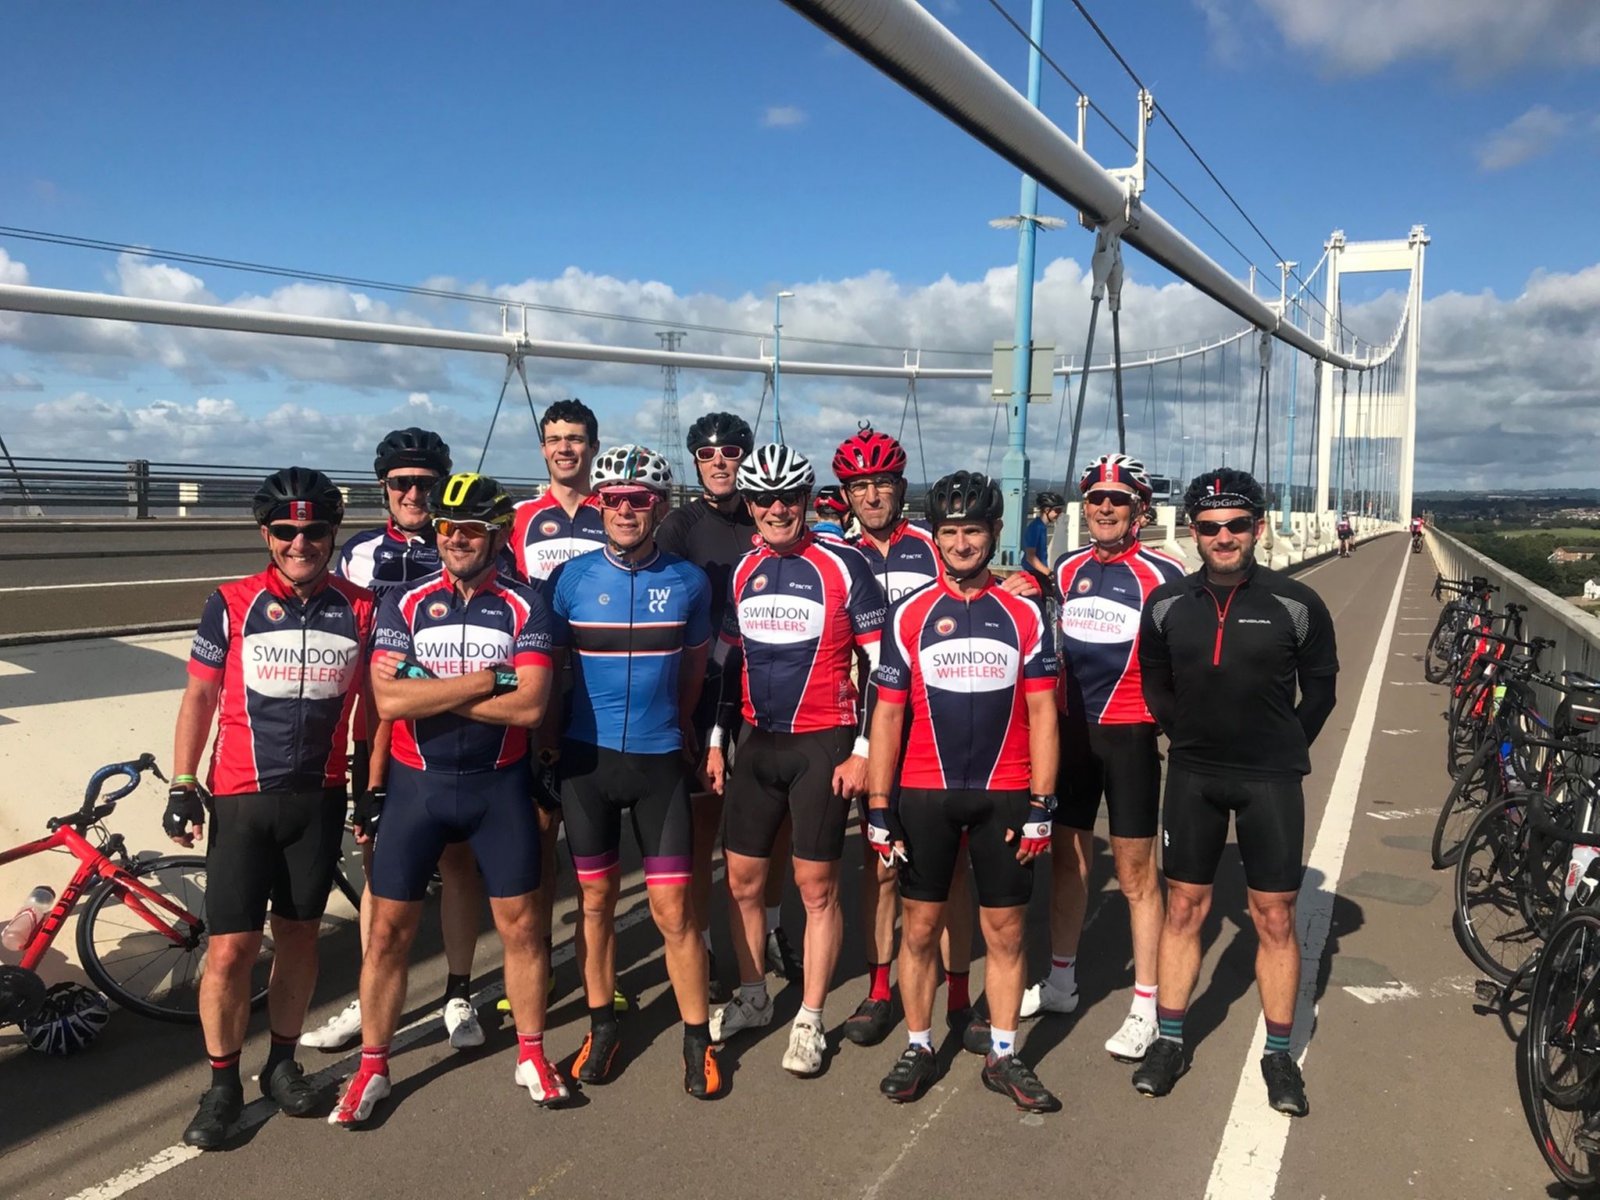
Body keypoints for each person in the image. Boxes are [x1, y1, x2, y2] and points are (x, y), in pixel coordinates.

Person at [330, 473, 562, 1125]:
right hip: (418, 788)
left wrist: (428, 686)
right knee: (387, 934)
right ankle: (372, 1067)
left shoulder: (527, 605)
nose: (457, 540)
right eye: (447, 528)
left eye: (472, 530)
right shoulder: (404, 602)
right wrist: (490, 678)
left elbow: (530, 706)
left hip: (498, 787)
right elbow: (388, 700)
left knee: (523, 929)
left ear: (499, 535)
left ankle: (533, 1054)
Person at [168, 468, 376, 1148]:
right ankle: (221, 1084)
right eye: (286, 530)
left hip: (318, 798)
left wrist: (372, 786)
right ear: (266, 534)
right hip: (241, 799)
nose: (299, 543)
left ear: (332, 534)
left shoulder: (362, 608)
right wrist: (182, 781)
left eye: (314, 531)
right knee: (230, 951)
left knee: (299, 937)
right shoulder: (231, 602)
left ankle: (282, 1064)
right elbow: (200, 696)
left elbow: (373, 710)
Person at [1132, 467, 1339, 1117]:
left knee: (1274, 917)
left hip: (1269, 780)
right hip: (1194, 774)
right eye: (1210, 526)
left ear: (1258, 527)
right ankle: (1169, 1041)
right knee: (1184, 909)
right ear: (1193, 531)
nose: (1224, 537)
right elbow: (1154, 682)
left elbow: (1322, 690)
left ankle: (1278, 1055)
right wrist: (1186, 735)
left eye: (1237, 525)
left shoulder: (1297, 604)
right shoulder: (1166, 604)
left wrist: (1284, 747)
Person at [831, 425, 1035, 1051]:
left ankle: (957, 995)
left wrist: (1026, 584)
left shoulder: (933, 541)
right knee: (881, 869)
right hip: (874, 727)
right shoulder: (838, 551)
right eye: (859, 487)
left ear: (901, 488)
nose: (871, 497)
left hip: (944, 733)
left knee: (956, 876)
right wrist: (863, 748)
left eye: (882, 484)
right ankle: (880, 990)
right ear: (846, 494)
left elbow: (986, 586)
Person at [867, 471, 1062, 1113]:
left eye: (973, 530)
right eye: (949, 532)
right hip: (924, 793)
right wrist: (878, 806)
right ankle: (919, 1045)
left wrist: (1043, 804)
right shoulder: (910, 612)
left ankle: (1003, 1054)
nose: (960, 543)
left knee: (1005, 932)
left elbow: (1043, 714)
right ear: (936, 537)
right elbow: (887, 715)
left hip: (1005, 793)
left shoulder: (1024, 612)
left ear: (994, 532)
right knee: (920, 929)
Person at [545, 444, 724, 1099]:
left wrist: (682, 731)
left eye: (639, 500)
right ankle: (602, 1026)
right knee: (594, 902)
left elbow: (695, 671)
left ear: (660, 506)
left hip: (658, 761)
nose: (625, 510)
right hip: (585, 761)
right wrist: (543, 749)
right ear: (599, 505)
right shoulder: (568, 580)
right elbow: (548, 673)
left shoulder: (688, 582)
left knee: (673, 909)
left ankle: (697, 1038)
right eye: (614, 499)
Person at [703, 444, 887, 1077]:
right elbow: (726, 664)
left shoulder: (843, 563)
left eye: (788, 498)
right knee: (742, 882)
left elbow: (881, 665)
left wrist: (864, 750)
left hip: (823, 743)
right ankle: (754, 995)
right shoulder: (743, 568)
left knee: (816, 888)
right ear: (749, 504)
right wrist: (715, 739)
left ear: (806, 501)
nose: (776, 510)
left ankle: (809, 1018)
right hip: (756, 744)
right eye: (763, 499)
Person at [303, 427, 487, 1055]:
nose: (413, 494)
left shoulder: (461, 541)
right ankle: (371, 993)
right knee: (379, 866)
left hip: (450, 731)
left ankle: (457, 991)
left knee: (457, 864)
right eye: (401, 483)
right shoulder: (357, 553)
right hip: (376, 728)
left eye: (425, 484)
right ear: (383, 487)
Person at [1030, 454, 1185, 1062]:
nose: (1103, 507)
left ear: (1139, 510)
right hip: (1072, 733)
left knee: (1136, 875)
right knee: (1068, 865)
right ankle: (1061, 981)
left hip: (1130, 737)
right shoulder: (1067, 568)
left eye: (1117, 499)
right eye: (1095, 497)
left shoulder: (1164, 573)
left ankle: (1146, 1005)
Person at [656, 412, 800, 996]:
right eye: (707, 453)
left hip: (769, 688)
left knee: (775, 821)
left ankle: (772, 927)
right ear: (695, 462)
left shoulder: (770, 511)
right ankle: (705, 946)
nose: (719, 462)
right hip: (706, 687)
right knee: (701, 826)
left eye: (731, 451)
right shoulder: (680, 526)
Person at [1024, 491, 1065, 592]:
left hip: (1040, 573)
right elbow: (1030, 557)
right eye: (1057, 510)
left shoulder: (1042, 527)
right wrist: (1049, 573)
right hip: (1034, 574)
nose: (1059, 514)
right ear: (1047, 510)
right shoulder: (1035, 527)